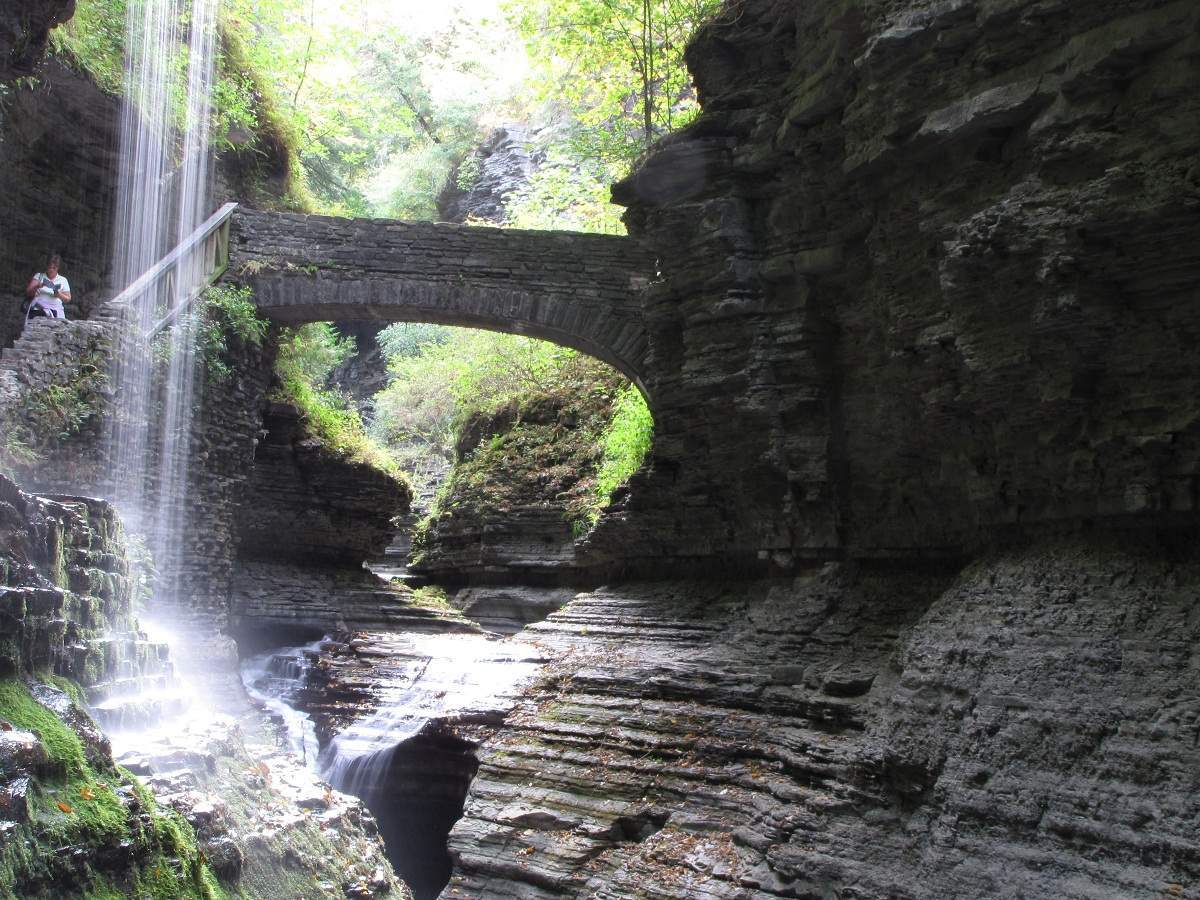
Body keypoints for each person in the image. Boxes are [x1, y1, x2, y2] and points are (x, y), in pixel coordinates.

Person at [24, 254, 72, 321]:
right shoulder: (39, 276)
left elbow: (68, 299)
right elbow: (28, 292)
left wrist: (59, 295)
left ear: (58, 268)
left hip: (56, 312)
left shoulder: (63, 280)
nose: (51, 270)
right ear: (46, 266)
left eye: (54, 268)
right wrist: (37, 286)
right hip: (38, 311)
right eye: (49, 267)